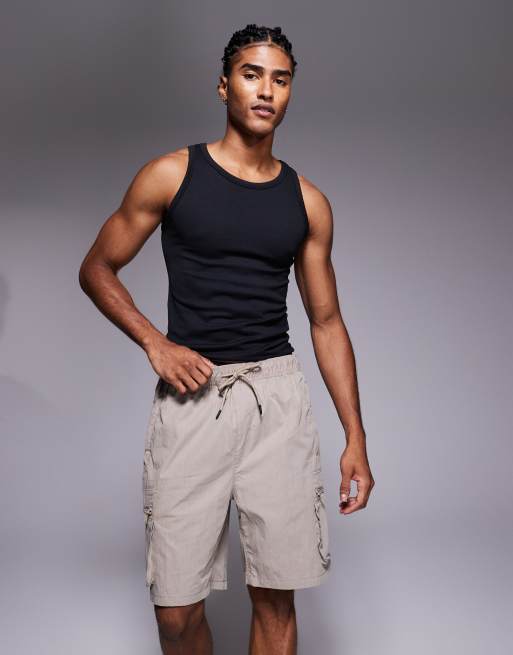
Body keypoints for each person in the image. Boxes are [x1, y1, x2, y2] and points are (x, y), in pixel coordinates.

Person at [79, 22, 375, 655]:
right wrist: (155, 343)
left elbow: (326, 322)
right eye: (251, 74)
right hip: (194, 399)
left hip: (277, 402)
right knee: (176, 611)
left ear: (289, 91)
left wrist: (355, 436)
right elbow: (97, 267)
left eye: (280, 79)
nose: (266, 90)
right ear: (223, 86)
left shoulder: (308, 202)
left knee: (276, 600)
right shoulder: (171, 174)